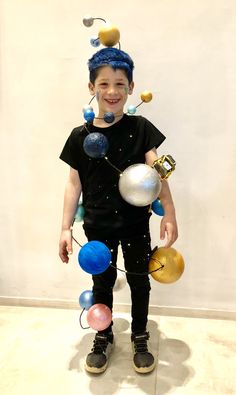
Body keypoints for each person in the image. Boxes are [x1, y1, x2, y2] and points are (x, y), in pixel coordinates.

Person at [59, 47, 178, 374]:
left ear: (131, 87)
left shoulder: (141, 129)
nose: (112, 91)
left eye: (120, 84)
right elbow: (73, 185)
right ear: (91, 87)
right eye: (104, 84)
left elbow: (158, 175)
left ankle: (140, 334)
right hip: (97, 227)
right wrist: (65, 227)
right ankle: (103, 334)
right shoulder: (79, 136)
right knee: (102, 283)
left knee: (140, 281)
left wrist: (169, 212)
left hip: (135, 223)